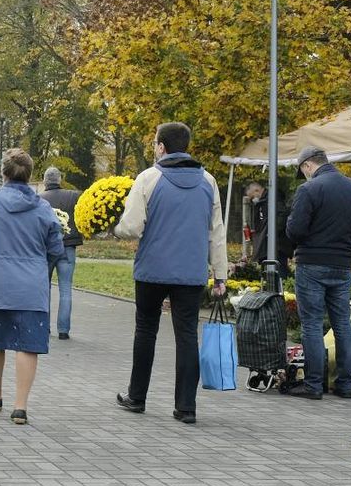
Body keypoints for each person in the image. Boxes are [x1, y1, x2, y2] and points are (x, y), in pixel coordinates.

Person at [114, 122, 228, 425]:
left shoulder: (148, 178)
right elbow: (216, 232)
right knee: (187, 335)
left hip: (153, 269)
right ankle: (186, 407)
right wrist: (220, 274)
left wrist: (116, 226)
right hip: (191, 272)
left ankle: (137, 397)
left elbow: (132, 226)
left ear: (161, 147)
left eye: (154, 144)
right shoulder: (208, 181)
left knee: (146, 331)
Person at [0, 149, 64, 425]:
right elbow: (56, 247)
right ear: (29, 175)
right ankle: (20, 407)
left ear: (3, 173)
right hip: (32, 286)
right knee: (28, 345)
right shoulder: (43, 207)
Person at [285, 146, 351, 399]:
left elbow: (296, 231)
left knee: (312, 324)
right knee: (342, 324)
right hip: (342, 265)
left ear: (307, 166)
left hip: (311, 264)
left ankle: (314, 385)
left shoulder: (309, 189)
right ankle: (345, 385)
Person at [39, 167, 83, 340]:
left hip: (47, 249)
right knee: (66, 289)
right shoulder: (73, 196)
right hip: (68, 246)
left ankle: (45, 327)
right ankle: (64, 330)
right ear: (60, 179)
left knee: (45, 288)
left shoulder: (39, 199)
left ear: (44, 181)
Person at [244, 181, 292, 278]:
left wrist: (270, 232)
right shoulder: (264, 200)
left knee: (279, 273)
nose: (253, 200)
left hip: (277, 244)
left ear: (257, 190)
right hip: (268, 244)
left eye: (252, 197)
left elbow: (281, 217)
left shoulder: (273, 198)